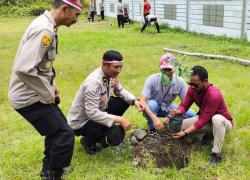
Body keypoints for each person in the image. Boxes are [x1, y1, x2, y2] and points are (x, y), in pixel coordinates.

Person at [8, 0, 82, 179]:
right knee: (65, 135)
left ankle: (48, 169)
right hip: (28, 97)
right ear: (65, 9)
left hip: (34, 92)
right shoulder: (45, 30)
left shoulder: (48, 25)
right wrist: (46, 92)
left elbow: (43, 63)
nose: (77, 19)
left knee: (56, 130)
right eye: (76, 14)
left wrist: (51, 83)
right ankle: (53, 174)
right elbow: (24, 68)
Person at [67, 50, 144, 155]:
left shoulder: (111, 77)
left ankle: (103, 131)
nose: (119, 70)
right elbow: (92, 113)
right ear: (104, 64)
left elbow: (120, 91)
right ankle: (88, 142)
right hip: (82, 121)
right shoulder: (93, 83)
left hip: (99, 112)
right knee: (115, 139)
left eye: (121, 67)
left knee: (124, 101)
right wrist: (119, 119)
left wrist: (134, 101)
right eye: (115, 67)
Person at [170, 65, 233, 167]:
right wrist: (178, 111)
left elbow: (202, 120)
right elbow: (185, 104)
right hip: (206, 119)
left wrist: (185, 133)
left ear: (205, 81)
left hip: (223, 123)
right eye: (191, 84)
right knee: (179, 126)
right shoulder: (192, 88)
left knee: (216, 119)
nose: (192, 87)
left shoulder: (213, 95)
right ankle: (208, 135)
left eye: (196, 85)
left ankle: (216, 154)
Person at [140, 53, 196, 133]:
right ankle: (152, 127)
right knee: (151, 104)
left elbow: (185, 104)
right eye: (164, 69)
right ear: (160, 68)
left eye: (169, 69)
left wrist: (171, 116)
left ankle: (173, 125)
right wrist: (154, 118)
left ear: (174, 69)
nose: (167, 72)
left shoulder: (180, 82)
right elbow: (142, 100)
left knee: (192, 115)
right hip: (152, 107)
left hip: (168, 107)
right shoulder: (152, 79)